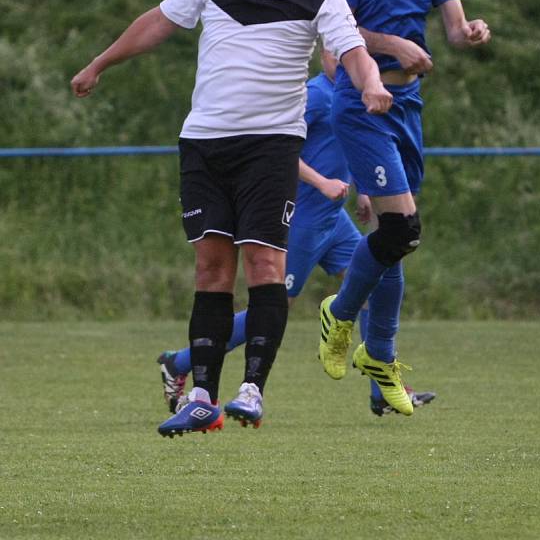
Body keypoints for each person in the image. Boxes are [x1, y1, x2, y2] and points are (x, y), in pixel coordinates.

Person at [71, 0, 392, 437]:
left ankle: (252, 391)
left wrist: (372, 84)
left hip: (271, 146)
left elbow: (352, 50)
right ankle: (200, 396)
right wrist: (99, 63)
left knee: (264, 266)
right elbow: (161, 20)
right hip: (204, 142)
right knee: (211, 268)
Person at [157, 48, 436, 421]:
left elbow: (358, 147)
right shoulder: (316, 95)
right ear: (324, 55)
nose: (346, 62)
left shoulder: (350, 97)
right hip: (303, 217)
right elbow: (278, 148)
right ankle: (179, 362)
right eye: (338, 55)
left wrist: (366, 190)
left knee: (374, 282)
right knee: (273, 307)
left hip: (333, 220)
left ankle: (381, 389)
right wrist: (322, 183)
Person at [318, 0, 491, 416]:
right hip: (361, 103)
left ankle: (381, 369)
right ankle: (340, 316)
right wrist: (391, 45)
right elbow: (332, 39)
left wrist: (470, 31)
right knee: (403, 228)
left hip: (408, 106)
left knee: (396, 245)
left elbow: (454, 31)